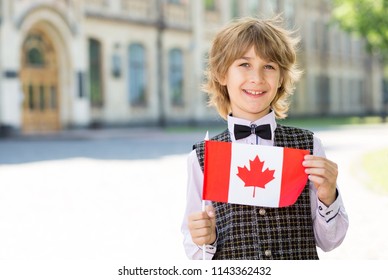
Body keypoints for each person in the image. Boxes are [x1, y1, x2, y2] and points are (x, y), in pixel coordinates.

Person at [181, 15, 349, 260]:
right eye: (244, 64)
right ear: (221, 74)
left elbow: (330, 241)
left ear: (281, 77)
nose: (257, 78)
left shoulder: (308, 147)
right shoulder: (202, 157)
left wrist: (328, 195)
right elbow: (195, 250)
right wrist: (206, 239)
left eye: (269, 66)